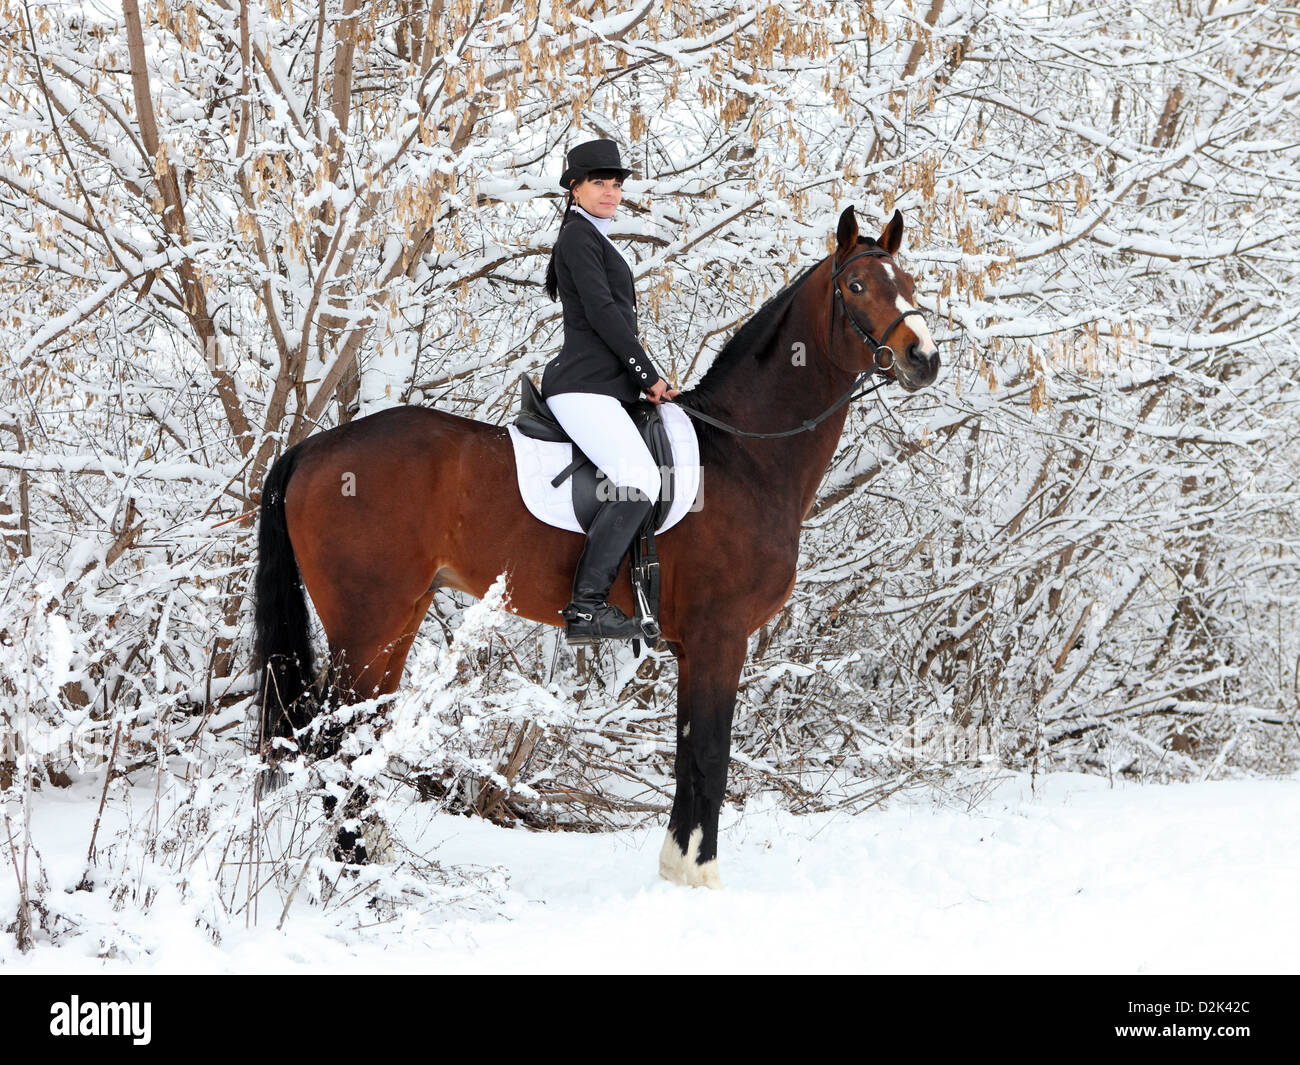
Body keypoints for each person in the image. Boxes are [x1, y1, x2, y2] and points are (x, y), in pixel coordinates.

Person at [542, 138, 679, 644]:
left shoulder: (595, 237)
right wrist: (646, 376)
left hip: (605, 386)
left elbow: (616, 320)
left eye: (617, 184)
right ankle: (586, 608)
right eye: (599, 181)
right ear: (574, 188)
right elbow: (604, 316)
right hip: (582, 386)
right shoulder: (578, 237)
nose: (611, 191)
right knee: (640, 477)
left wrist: (641, 382)